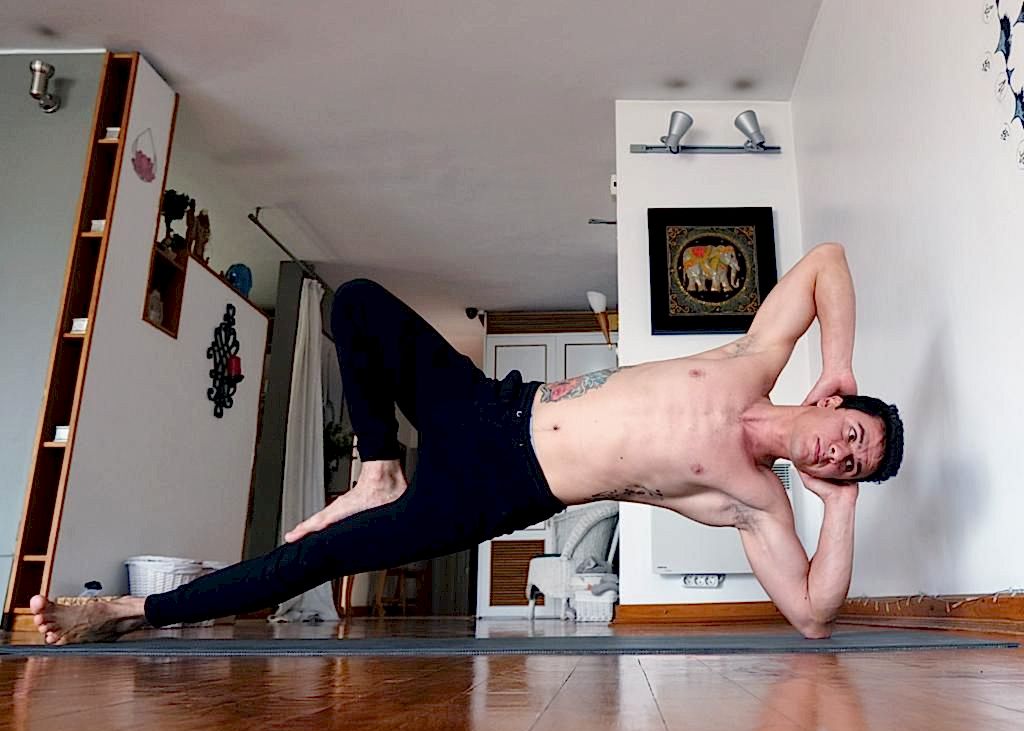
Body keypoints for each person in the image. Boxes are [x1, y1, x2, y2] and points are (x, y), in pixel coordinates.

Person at [30, 241, 902, 643]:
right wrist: (840, 359)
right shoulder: (754, 357)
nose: (841, 452)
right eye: (853, 435)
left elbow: (812, 615)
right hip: (489, 406)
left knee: (321, 555)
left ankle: (132, 613)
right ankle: (377, 467)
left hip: (497, 491)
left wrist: (841, 507)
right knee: (356, 303)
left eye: (853, 464)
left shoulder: (755, 501)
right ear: (836, 402)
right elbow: (828, 261)